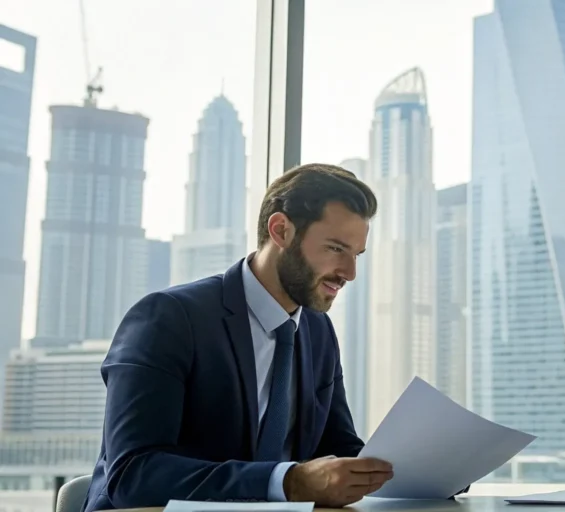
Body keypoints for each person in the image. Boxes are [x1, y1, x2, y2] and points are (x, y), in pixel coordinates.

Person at [83, 164, 394, 511]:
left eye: (356, 255)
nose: (349, 272)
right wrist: (288, 482)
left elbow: (336, 447)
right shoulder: (168, 318)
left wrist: (417, 472)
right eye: (336, 248)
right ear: (281, 230)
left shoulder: (316, 330)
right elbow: (133, 475)